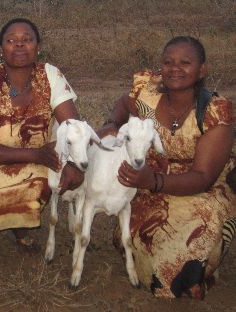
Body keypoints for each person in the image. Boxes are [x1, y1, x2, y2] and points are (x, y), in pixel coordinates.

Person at [98, 36, 235, 299]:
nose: (175, 68)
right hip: (149, 187)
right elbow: (125, 103)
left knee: (177, 267)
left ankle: (203, 268)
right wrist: (111, 122)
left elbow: (203, 177)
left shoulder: (213, 112)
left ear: (202, 69)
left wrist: (154, 181)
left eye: (185, 62)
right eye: (168, 62)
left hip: (201, 194)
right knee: (133, 243)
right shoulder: (149, 97)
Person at [0, 18, 83, 253]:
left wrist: (73, 164)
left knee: (48, 177)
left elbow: (72, 125)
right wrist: (36, 154)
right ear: (1, 49)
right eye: (11, 41)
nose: (20, 46)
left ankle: (19, 223)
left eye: (27, 40)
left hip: (33, 157)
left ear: (37, 46)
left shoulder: (50, 75)